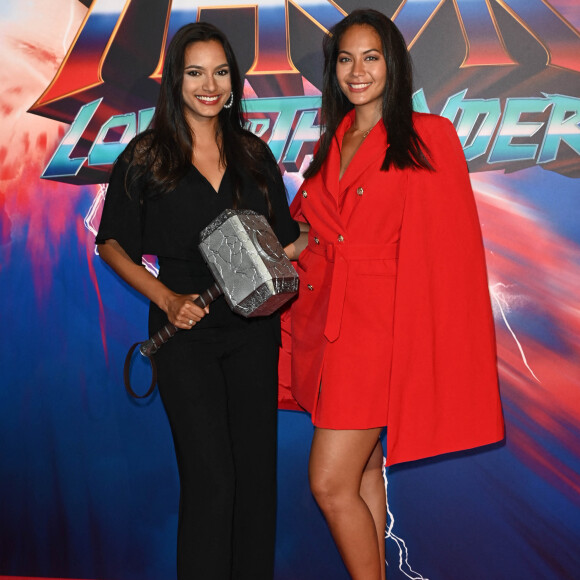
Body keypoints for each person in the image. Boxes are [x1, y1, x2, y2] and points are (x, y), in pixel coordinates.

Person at [283, 10, 505, 580]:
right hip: (327, 328)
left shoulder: (430, 135)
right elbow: (320, 234)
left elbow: (448, 248)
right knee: (359, 475)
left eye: (371, 57)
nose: (357, 72)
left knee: (328, 483)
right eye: (345, 59)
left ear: (394, 64)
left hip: (381, 334)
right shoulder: (332, 138)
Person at [96, 22, 299, 580]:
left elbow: (286, 237)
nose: (208, 84)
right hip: (184, 338)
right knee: (213, 480)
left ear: (233, 80)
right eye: (194, 72)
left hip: (255, 335)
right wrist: (165, 297)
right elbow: (111, 244)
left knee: (256, 478)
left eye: (219, 71)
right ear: (175, 80)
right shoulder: (146, 156)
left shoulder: (255, 155)